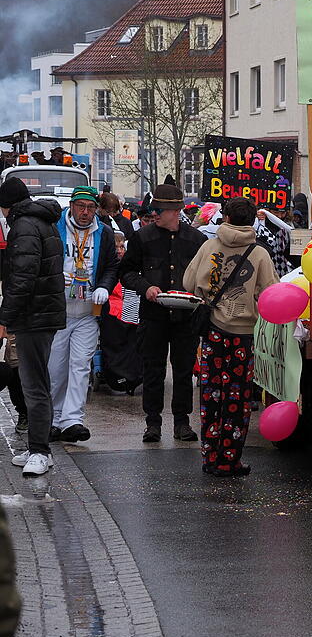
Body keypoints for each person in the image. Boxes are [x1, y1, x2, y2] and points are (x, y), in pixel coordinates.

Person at [183, 198, 278, 476]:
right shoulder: (259, 253)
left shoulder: (209, 245)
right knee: (237, 398)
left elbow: (189, 282)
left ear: (224, 217)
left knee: (211, 394)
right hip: (243, 335)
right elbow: (272, 293)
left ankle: (209, 456)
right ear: (252, 221)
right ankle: (229, 459)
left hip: (212, 330)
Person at [119, 175, 206, 443]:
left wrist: (196, 296)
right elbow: (127, 272)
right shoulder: (142, 238)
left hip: (184, 317)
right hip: (153, 316)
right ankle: (153, 423)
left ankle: (182, 422)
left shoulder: (196, 240)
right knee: (153, 369)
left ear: (175, 212)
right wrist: (145, 287)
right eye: (152, 209)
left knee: (182, 370)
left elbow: (205, 276)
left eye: (158, 210)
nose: (153, 214)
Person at [0, 177, 66, 476]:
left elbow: (22, 278)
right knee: (35, 383)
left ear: (8, 206)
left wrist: (5, 317)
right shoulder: (40, 221)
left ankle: (41, 451)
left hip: (34, 316)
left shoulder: (24, 226)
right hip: (41, 313)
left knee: (34, 385)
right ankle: (37, 445)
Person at [48, 186, 119, 444]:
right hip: (59, 311)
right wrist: (55, 280)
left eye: (90, 208)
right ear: (72, 206)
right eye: (81, 207)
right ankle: (53, 418)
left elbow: (112, 266)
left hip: (89, 311)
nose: (86, 213)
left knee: (80, 366)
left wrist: (104, 286)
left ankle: (72, 420)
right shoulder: (55, 229)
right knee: (56, 367)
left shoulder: (105, 233)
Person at [99, 230, 142, 395]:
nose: (119, 250)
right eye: (116, 247)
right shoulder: (107, 266)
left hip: (128, 305)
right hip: (112, 307)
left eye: (121, 246)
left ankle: (133, 374)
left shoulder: (130, 265)